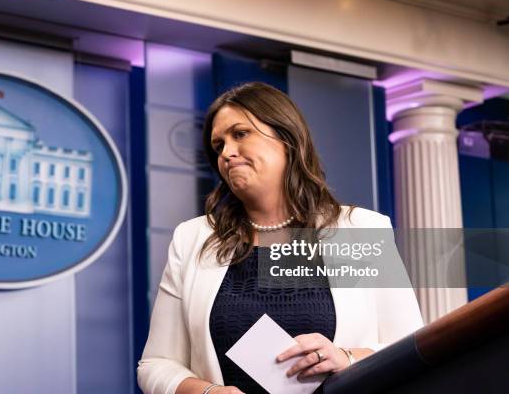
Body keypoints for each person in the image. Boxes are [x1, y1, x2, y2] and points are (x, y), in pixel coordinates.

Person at [137, 82, 423, 394]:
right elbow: (156, 365)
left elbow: (411, 351)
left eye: (240, 134)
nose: (227, 153)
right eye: (219, 146)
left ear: (286, 138)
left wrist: (346, 357)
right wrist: (208, 393)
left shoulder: (362, 229)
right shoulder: (191, 238)